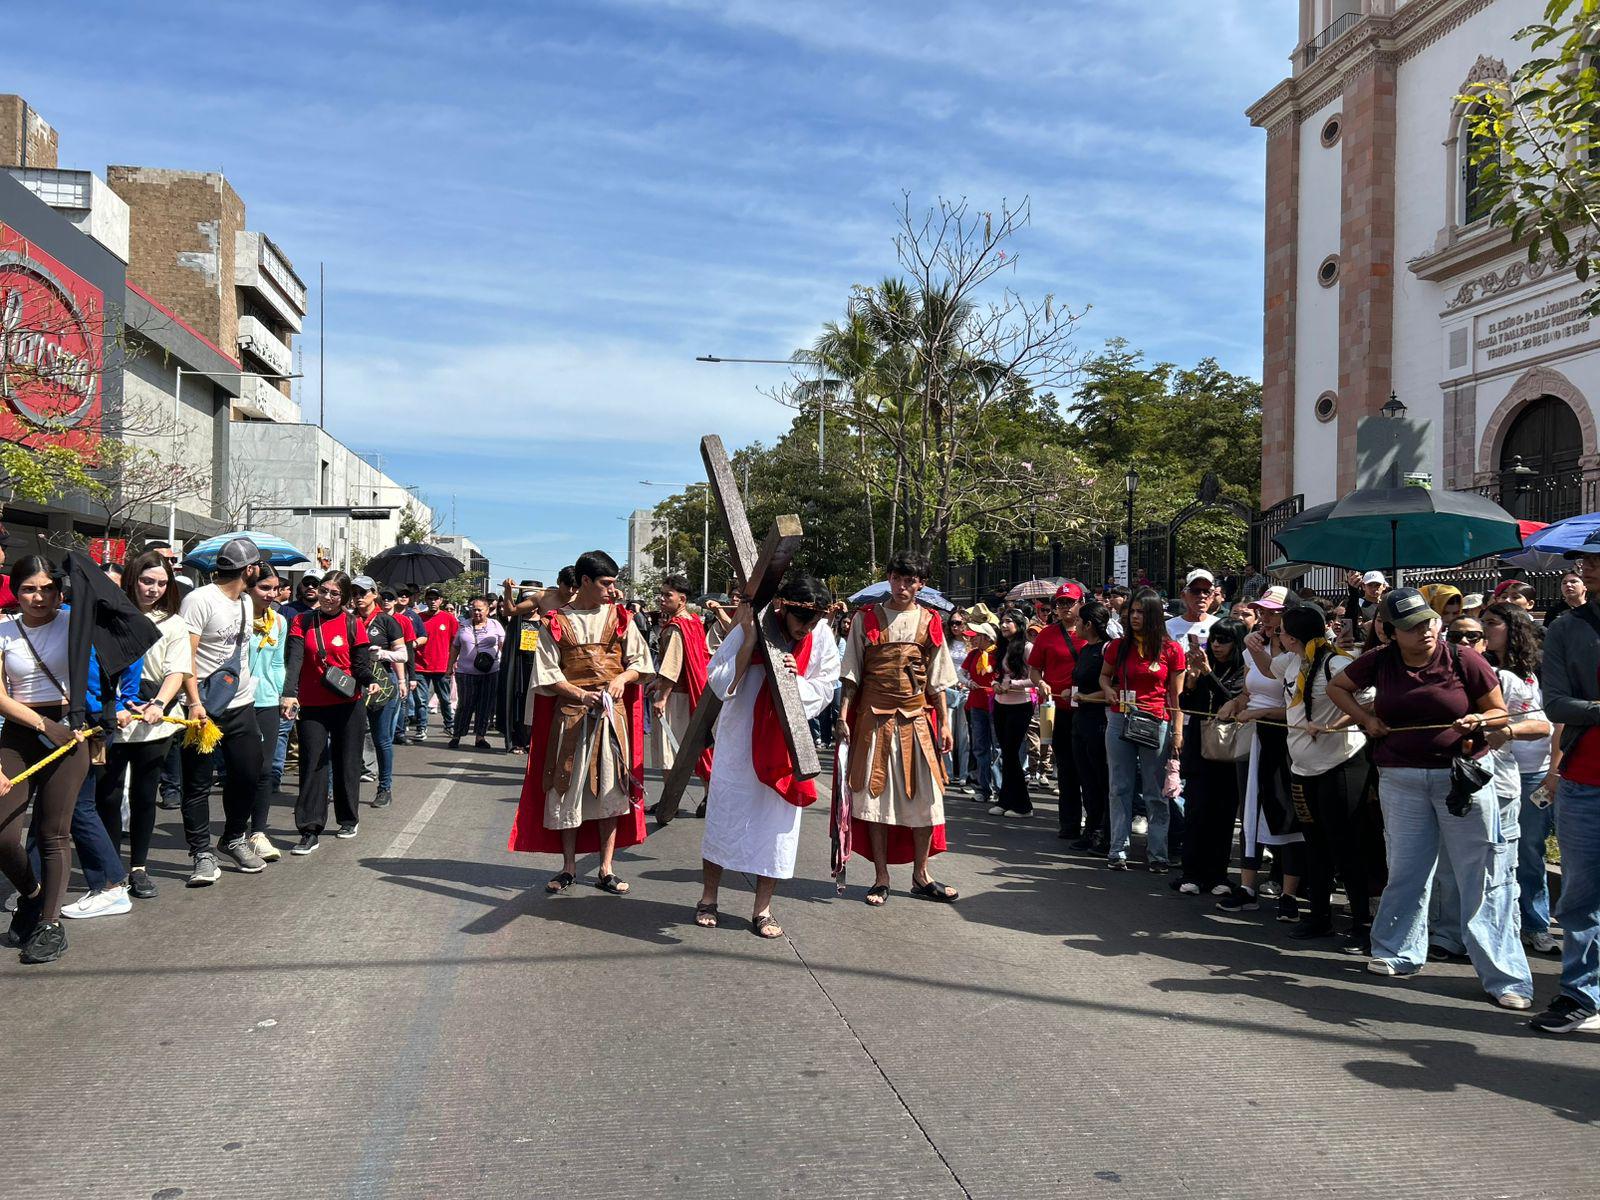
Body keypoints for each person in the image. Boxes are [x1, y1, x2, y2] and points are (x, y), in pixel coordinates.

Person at [1327, 588, 1533, 1008]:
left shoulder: (1463, 658)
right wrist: (1367, 719)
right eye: (1410, 627)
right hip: (1400, 778)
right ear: (1391, 633)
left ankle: (1505, 976)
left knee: (1482, 875)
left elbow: (1497, 711)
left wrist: (1479, 718)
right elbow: (1337, 687)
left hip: (1461, 779)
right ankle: (1396, 951)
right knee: (1406, 868)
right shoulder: (1380, 661)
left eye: (1426, 621)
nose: (1423, 631)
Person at [695, 577, 841, 937]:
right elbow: (717, 679)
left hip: (785, 740)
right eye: (802, 621)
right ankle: (709, 897)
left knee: (776, 828)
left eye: (814, 622)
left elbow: (825, 686)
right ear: (782, 608)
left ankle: (763, 909)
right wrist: (746, 641)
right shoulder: (751, 623)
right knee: (724, 817)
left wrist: (796, 682)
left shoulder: (819, 633)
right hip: (740, 737)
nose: (807, 629)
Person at [508, 551, 652, 895]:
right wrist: (579, 694)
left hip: (610, 718)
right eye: (605, 583)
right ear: (585, 581)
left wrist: (622, 680)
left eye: (614, 583)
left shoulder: (621, 617)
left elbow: (641, 661)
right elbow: (546, 674)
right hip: (570, 718)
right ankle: (569, 867)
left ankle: (606, 868)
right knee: (566, 789)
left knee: (611, 789)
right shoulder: (555, 621)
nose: (611, 589)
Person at [836, 551, 959, 905]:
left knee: (926, 800)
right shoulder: (866, 618)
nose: (903, 586)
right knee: (877, 800)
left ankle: (922, 875)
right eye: (898, 578)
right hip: (873, 721)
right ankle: (881, 877)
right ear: (889, 577)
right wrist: (844, 716)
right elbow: (852, 673)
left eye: (911, 580)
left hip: (917, 721)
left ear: (920, 584)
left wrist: (946, 724)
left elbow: (937, 682)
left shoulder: (931, 620)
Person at [0, 557, 94, 963]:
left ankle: (50, 924)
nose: (38, 597)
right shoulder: (3, 630)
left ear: (60, 590)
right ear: (15, 591)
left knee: (54, 832)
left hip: (70, 731)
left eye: (47, 588)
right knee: (3, 835)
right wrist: (41, 724)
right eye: (28, 589)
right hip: (21, 731)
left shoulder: (77, 623)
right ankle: (33, 896)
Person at [96, 551, 194, 902]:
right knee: (106, 794)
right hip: (112, 715)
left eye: (162, 583)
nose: (154, 589)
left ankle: (138, 867)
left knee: (143, 794)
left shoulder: (173, 623)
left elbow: (177, 670)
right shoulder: (108, 617)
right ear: (132, 579)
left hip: (155, 720)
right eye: (147, 581)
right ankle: (111, 868)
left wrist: (158, 704)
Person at [1276, 605, 1374, 947]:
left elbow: (1369, 703)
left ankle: (1362, 922)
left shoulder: (1338, 664)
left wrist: (1334, 725)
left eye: (1281, 631)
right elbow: (1264, 667)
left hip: (1341, 765)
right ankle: (1319, 916)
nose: (1278, 636)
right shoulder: (1290, 663)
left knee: (1346, 847)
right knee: (1314, 845)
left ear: (1291, 636)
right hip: (1302, 769)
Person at [1535, 541, 1600, 1033]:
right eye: (1588, 560)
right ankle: (1581, 992)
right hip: (1584, 782)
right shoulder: (1566, 629)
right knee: (1580, 896)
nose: (1590, 567)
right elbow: (1556, 704)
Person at [179, 537, 269, 884]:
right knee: (198, 783)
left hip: (241, 704)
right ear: (249, 569)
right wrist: (194, 703)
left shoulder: (246, 601)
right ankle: (201, 853)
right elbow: (185, 655)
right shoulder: (199, 600)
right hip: (202, 709)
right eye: (258, 566)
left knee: (249, 773)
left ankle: (233, 837)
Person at [1215, 588, 1305, 917]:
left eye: (1273, 612)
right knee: (1250, 812)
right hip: (1256, 739)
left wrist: (1260, 714)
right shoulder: (1253, 648)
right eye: (1262, 612)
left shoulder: (1301, 655)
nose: (1265, 618)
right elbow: (1250, 692)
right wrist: (1234, 703)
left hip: (1287, 742)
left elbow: (1298, 708)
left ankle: (1289, 895)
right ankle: (1248, 886)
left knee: (1288, 815)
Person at [1480, 602, 1561, 956]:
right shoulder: (1479, 668)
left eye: (1492, 623)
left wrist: (1554, 772)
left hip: (1532, 773)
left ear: (1511, 628)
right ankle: (1500, 923)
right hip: (1491, 771)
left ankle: (1535, 923)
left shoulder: (1536, 667)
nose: (1484, 629)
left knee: (1529, 852)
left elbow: (1553, 722)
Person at [281, 570, 376, 855]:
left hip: (348, 703)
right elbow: (295, 660)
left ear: (344, 597)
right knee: (312, 764)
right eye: (324, 590)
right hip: (312, 705)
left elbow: (359, 665)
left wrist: (369, 680)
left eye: (335, 593)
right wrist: (289, 693)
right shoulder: (302, 621)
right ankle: (309, 829)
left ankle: (348, 818)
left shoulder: (353, 623)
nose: (328, 597)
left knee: (347, 762)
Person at [1099, 589, 1185, 871]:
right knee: (1119, 787)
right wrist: (1109, 689)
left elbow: (1176, 696)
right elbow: (1104, 676)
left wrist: (1178, 731)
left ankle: (1158, 854)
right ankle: (1117, 851)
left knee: (1155, 792)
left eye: (1141, 612)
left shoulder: (1172, 650)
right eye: (1132, 612)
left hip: (1156, 722)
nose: (1135, 617)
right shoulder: (1117, 646)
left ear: (1154, 616)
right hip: (1119, 719)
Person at [1174, 617, 1248, 896]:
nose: (1217, 646)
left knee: (1223, 815)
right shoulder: (1206, 667)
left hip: (1229, 751)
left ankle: (1218, 874)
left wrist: (1208, 675)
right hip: (1200, 748)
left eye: (1224, 640)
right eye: (1213, 640)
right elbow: (1188, 706)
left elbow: (1233, 699)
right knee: (1196, 812)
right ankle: (1191, 872)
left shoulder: (1243, 671)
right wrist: (1192, 682)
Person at [645, 575, 713, 815]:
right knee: (697, 747)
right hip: (692, 693)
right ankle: (708, 795)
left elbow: (673, 665)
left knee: (668, 749)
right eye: (662, 594)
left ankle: (669, 800)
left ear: (681, 599)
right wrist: (657, 681)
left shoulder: (676, 627)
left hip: (677, 697)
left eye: (667, 595)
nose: (662, 599)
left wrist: (662, 695)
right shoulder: (693, 622)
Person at [1029, 582, 1086, 838]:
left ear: (1080, 602)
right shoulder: (1046, 634)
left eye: (1069, 602)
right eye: (1060, 603)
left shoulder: (1091, 632)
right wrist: (1040, 682)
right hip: (1056, 709)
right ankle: (1069, 823)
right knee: (1065, 766)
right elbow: (1034, 669)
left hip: (1086, 707)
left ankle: (1095, 823)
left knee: (1089, 767)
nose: (1064, 608)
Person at [246, 565, 287, 859]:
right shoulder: (236, 617)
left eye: (275, 589)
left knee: (265, 769)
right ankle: (234, 833)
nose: (271, 594)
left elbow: (276, 663)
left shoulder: (279, 623)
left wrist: (283, 694)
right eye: (264, 588)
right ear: (248, 588)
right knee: (238, 771)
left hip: (267, 702)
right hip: (234, 702)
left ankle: (257, 833)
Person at [355, 576, 406, 806]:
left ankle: (384, 788)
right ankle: (331, 789)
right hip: (354, 686)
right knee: (345, 739)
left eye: (363, 592)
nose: (358, 597)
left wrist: (382, 654)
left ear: (374, 594)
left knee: (381, 739)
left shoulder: (387, 621)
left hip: (383, 687)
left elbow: (403, 655)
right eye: (354, 592)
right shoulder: (348, 619)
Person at [1070, 602, 1113, 853]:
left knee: (1101, 779)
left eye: (1079, 621)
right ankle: (1091, 828)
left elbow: (1114, 689)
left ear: (1088, 624)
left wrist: (1087, 697)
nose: (1075, 625)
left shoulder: (1108, 649)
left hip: (1099, 721)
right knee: (1085, 778)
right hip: (1080, 721)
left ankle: (1104, 833)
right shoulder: (1086, 650)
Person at [450, 595, 504, 750]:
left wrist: (504, 662)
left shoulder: (495, 625)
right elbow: (455, 646)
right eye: (473, 609)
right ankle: (457, 735)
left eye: (480, 610)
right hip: (465, 672)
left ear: (487, 610)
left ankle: (480, 737)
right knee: (465, 704)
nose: (476, 613)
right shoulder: (464, 625)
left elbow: (503, 645)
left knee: (485, 705)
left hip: (491, 671)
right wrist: (450, 665)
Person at [410, 587, 459, 740]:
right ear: (425, 600)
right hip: (420, 666)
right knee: (421, 701)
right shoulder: (418, 618)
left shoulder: (449, 618)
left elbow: (455, 643)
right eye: (430, 598)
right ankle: (421, 728)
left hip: (441, 666)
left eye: (435, 598)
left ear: (441, 601)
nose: (432, 601)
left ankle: (449, 725)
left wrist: (453, 662)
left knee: (444, 699)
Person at [961, 622, 999, 807]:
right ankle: (983, 788)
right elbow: (960, 674)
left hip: (995, 705)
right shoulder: (973, 654)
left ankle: (1000, 789)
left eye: (979, 635)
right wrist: (968, 684)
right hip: (976, 705)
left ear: (987, 637)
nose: (975, 638)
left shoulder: (998, 654)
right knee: (980, 748)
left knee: (998, 749)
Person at [1166, 569, 1220, 644]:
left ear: (1212, 597)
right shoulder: (1168, 627)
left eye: (1207, 591)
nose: (1202, 595)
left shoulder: (1219, 626)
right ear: (1183, 595)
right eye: (1195, 591)